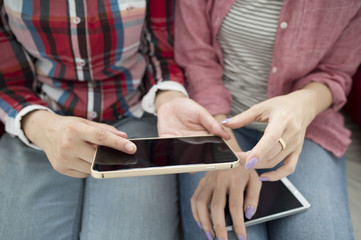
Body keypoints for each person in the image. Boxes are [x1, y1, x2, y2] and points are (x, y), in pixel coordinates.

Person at [0, 1, 229, 239]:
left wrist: (168, 97)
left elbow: (159, 51)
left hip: (135, 116)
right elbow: (7, 78)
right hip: (38, 119)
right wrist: (39, 125)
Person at [173, 0, 361, 239]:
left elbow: (336, 72)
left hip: (309, 127)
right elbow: (197, 61)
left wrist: (302, 105)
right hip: (214, 121)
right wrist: (223, 148)